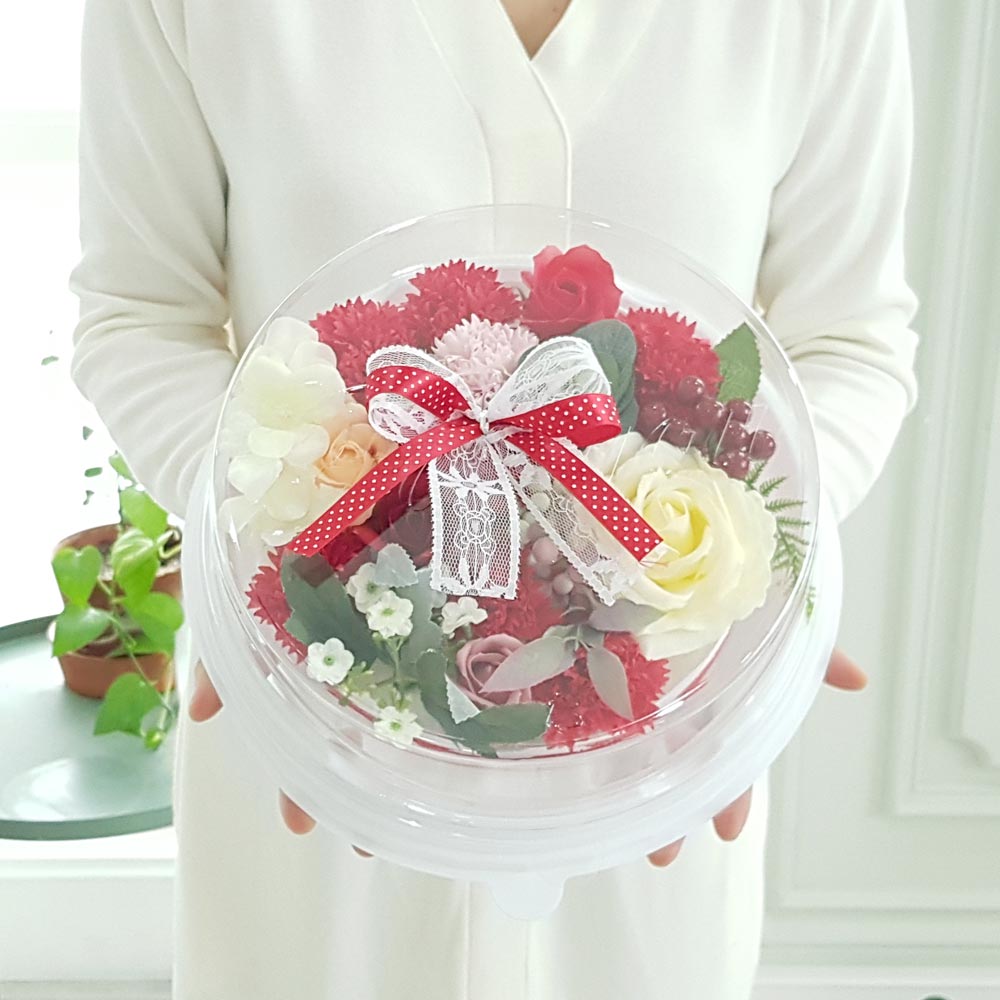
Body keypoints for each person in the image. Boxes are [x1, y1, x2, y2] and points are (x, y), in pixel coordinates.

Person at [70, 0, 917, 996]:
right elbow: (141, 313)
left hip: (654, 739)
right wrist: (255, 560)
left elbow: (849, 339)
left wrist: (768, 587)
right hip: (318, 711)